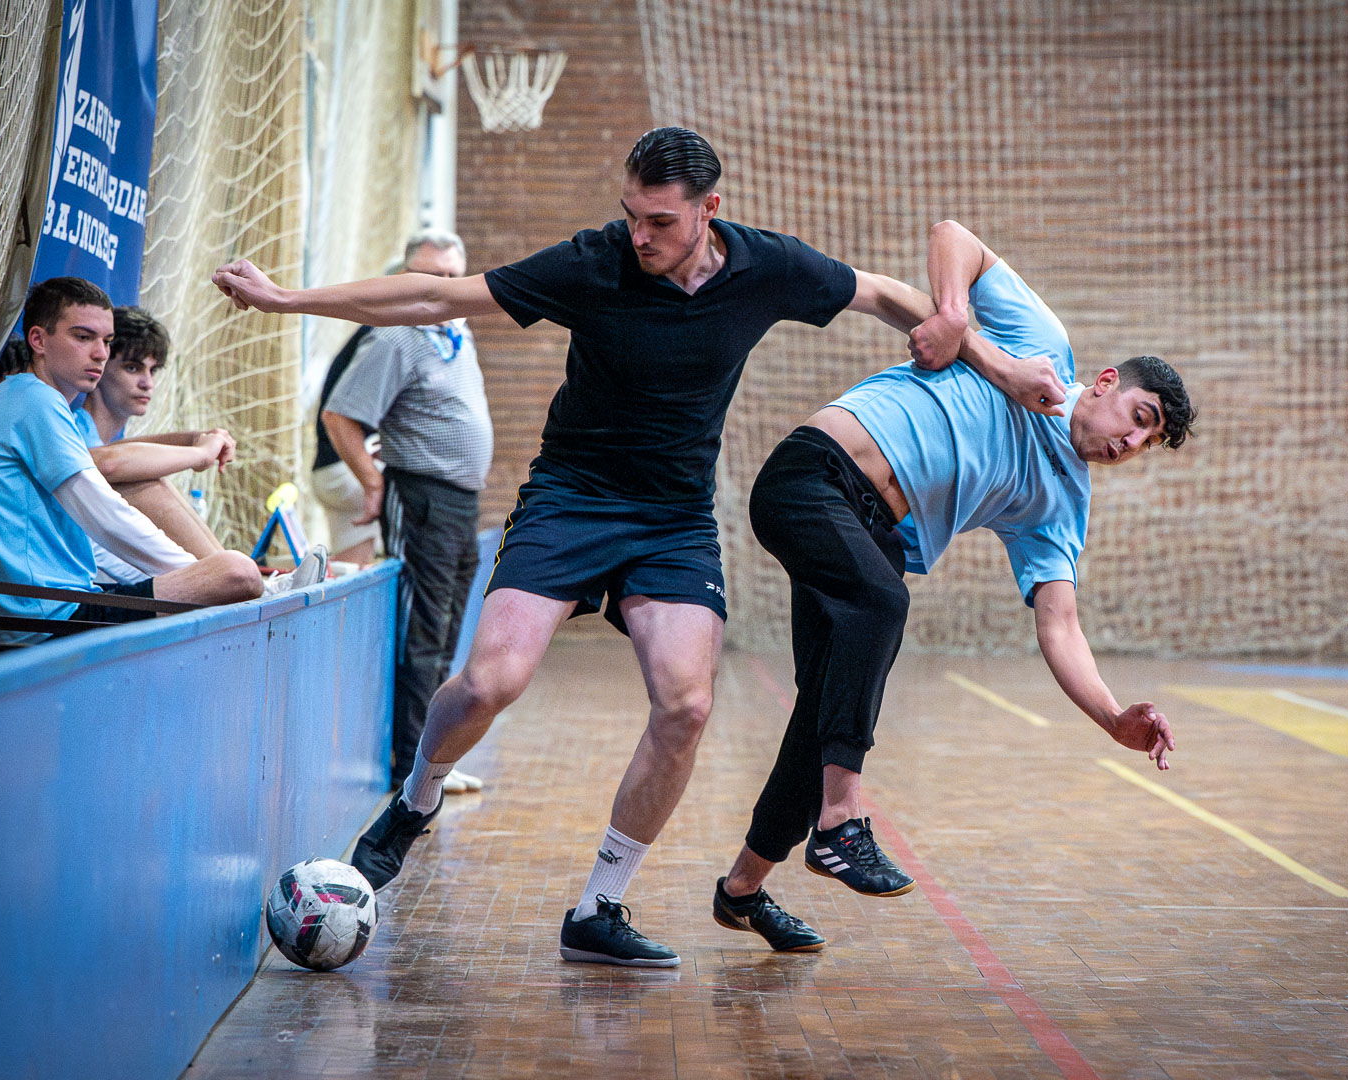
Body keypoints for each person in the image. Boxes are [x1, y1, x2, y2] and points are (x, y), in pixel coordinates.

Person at [212, 128, 1065, 968]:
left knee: (685, 706)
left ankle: (598, 907)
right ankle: (416, 798)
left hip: (674, 520)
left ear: (708, 210)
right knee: (491, 681)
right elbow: (438, 298)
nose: (640, 236)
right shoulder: (594, 263)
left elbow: (882, 294)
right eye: (631, 215)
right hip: (570, 500)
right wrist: (290, 300)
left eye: (660, 220)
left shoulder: (765, 265)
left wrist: (988, 359)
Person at [709, 220, 1195, 953]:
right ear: (1104, 384)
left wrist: (1110, 718)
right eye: (1138, 418)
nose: (1129, 443)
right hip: (813, 476)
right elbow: (953, 237)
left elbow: (1059, 624)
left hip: (874, 534)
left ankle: (742, 891)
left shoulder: (1062, 503)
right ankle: (840, 822)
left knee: (821, 718)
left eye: (1144, 443)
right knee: (882, 603)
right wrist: (954, 316)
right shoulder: (1040, 345)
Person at [0, 277, 266, 641]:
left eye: (106, 341)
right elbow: (106, 516)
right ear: (38, 340)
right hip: (46, 618)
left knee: (230, 572)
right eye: (83, 337)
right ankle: (261, 588)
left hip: (50, 607)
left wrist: (199, 579)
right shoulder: (35, 401)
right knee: (238, 573)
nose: (99, 353)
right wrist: (203, 578)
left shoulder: (29, 399)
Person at [320, 230, 490, 795]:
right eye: (430, 276)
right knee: (422, 632)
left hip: (461, 502)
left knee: (446, 632)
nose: (443, 287)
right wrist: (373, 483)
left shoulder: (456, 334)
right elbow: (340, 416)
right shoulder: (397, 339)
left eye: (452, 277)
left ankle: (434, 758)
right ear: (403, 281)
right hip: (420, 496)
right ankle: (412, 768)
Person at [81, 305, 237, 564]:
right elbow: (108, 461)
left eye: (153, 370)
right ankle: (229, 572)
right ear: (99, 366)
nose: (147, 383)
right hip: (79, 575)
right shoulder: (76, 431)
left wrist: (197, 438)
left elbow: (122, 449)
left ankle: (231, 571)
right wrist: (199, 452)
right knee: (145, 482)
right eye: (133, 368)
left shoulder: (100, 439)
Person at [309, 324, 379, 566]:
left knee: (352, 565)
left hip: (329, 470)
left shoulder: (375, 334)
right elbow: (335, 418)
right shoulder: (387, 337)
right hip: (343, 470)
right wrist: (373, 482)